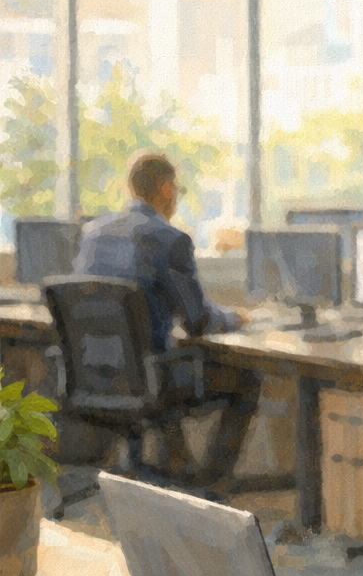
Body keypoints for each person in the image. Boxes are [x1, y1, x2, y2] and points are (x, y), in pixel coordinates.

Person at [73, 150, 260, 484]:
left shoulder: (92, 234)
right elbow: (198, 321)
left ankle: (180, 465)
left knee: (160, 372)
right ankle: (210, 483)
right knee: (247, 380)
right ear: (167, 189)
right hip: (148, 379)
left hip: (95, 374)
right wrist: (236, 318)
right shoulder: (170, 239)